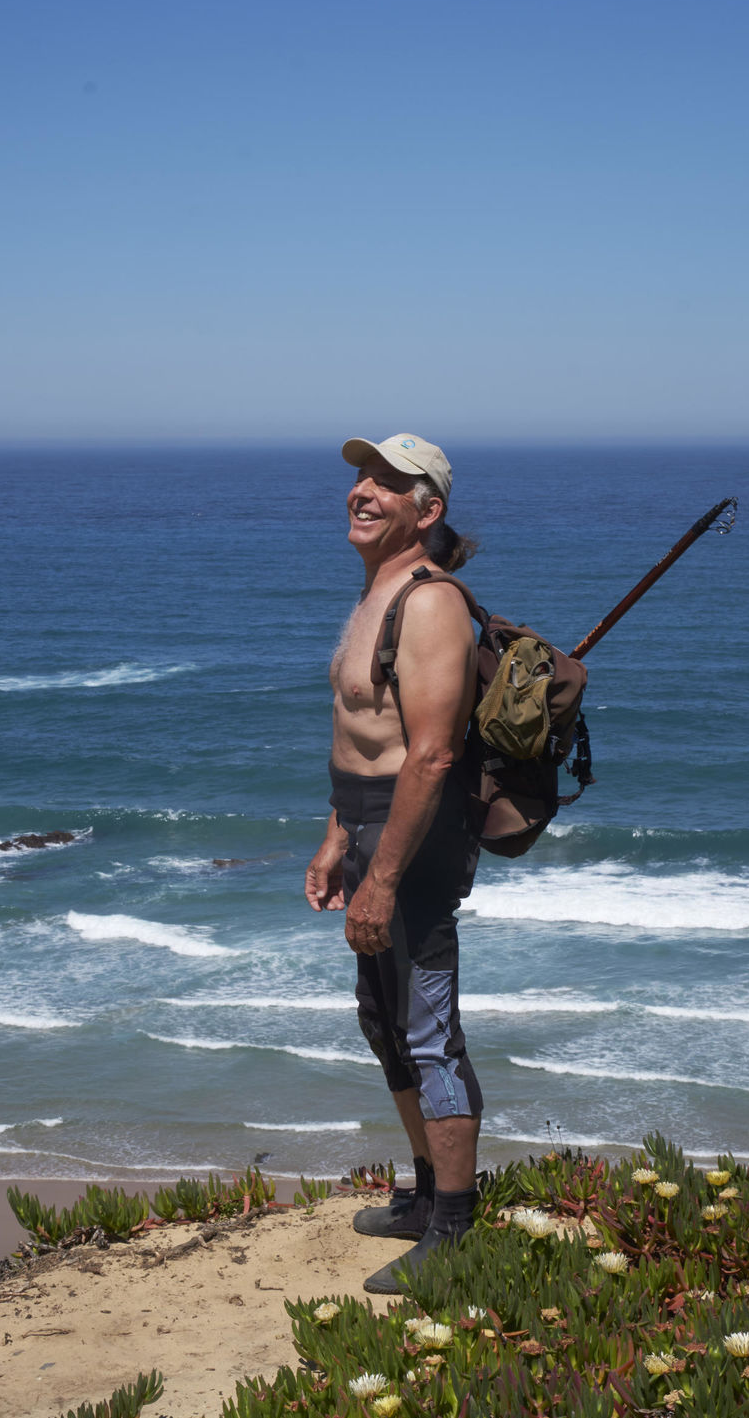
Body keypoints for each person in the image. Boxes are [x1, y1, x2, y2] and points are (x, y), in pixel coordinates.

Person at [304, 432, 482, 1295]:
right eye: (360, 477)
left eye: (387, 482)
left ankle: (453, 1222)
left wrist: (379, 877)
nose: (363, 491)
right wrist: (338, 836)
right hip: (370, 828)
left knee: (428, 1030)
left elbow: (430, 756)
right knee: (383, 1020)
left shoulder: (430, 602)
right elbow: (363, 731)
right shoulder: (374, 588)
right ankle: (421, 1192)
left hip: (413, 845)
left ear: (428, 509)